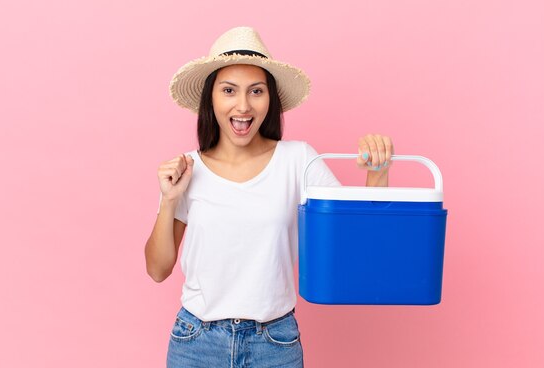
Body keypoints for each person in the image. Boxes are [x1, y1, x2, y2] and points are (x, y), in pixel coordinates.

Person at [145, 26, 394, 368]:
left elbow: (356, 244)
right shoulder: (188, 170)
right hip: (196, 343)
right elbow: (158, 270)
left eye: (256, 91)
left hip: (275, 344)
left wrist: (377, 172)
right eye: (229, 90)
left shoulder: (299, 161)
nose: (243, 106)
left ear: (270, 98)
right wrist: (170, 199)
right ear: (211, 98)